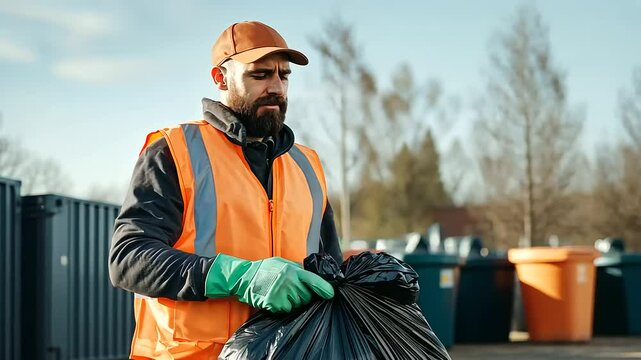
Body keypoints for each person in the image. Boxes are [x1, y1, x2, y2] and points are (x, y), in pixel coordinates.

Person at [109, 21, 342, 359]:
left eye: (284, 76)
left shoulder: (308, 166)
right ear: (220, 78)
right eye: (259, 75)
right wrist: (240, 278)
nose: (276, 87)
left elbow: (329, 268)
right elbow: (128, 259)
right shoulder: (174, 150)